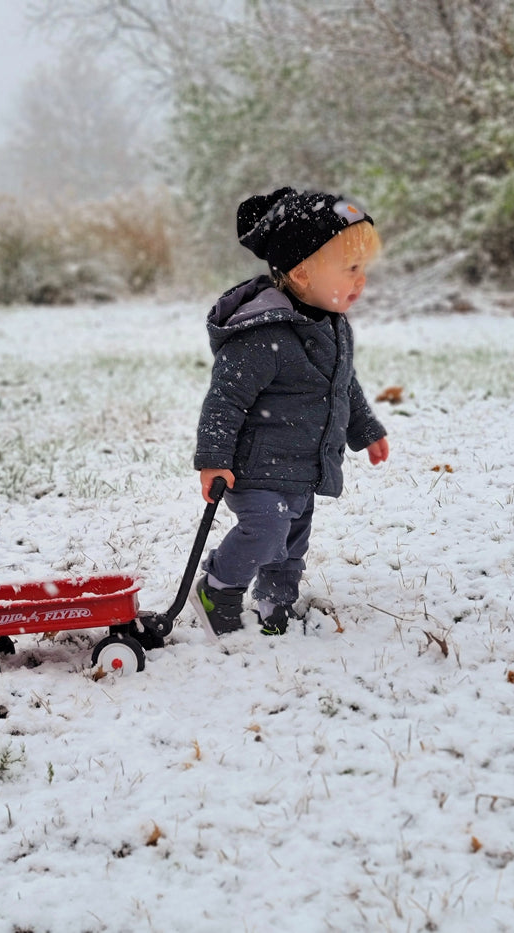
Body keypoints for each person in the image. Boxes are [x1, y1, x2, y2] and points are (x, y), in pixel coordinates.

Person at [191, 186, 389, 639]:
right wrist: (213, 458)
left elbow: (342, 385)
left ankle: (274, 602)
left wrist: (366, 429)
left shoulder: (332, 327)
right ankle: (217, 587)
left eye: (364, 269)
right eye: (350, 269)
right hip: (256, 467)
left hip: (302, 466)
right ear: (302, 273)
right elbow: (225, 399)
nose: (361, 280)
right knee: (267, 529)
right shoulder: (261, 335)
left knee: (292, 541)